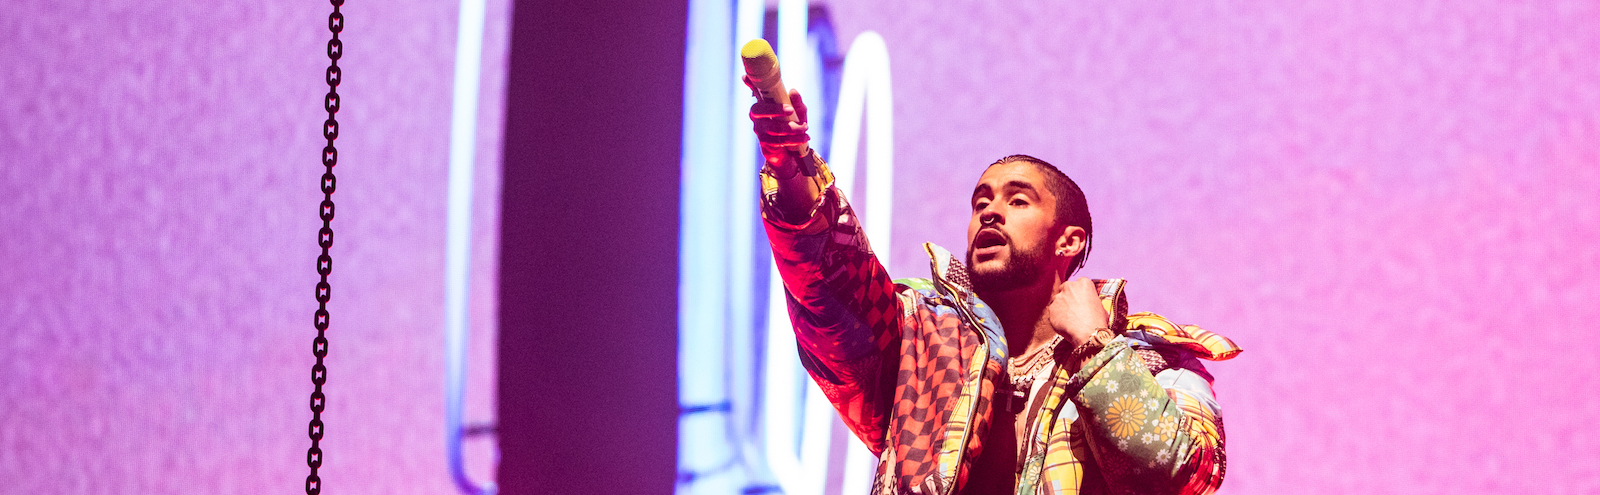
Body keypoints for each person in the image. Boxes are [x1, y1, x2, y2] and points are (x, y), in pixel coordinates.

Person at [745, 80, 1242, 495]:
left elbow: (1183, 477)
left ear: (1068, 240)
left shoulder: (1153, 358)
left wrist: (1097, 350)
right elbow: (834, 294)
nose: (990, 212)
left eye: (1018, 200)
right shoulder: (923, 340)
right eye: (980, 201)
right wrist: (792, 168)